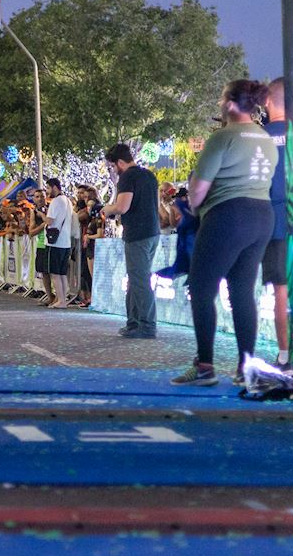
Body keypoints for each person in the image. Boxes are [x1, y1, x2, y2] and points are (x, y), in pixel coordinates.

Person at [171, 80, 277, 387]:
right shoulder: (265, 138)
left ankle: (205, 365)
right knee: (243, 292)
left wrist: (191, 203)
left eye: (221, 99)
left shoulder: (222, 137)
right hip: (261, 215)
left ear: (230, 104)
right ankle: (247, 368)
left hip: (227, 215)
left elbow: (197, 192)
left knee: (203, 289)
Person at [100, 143, 161, 338]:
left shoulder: (127, 177)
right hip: (152, 232)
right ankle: (133, 323)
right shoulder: (149, 176)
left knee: (140, 279)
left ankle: (147, 325)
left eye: (113, 166)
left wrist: (107, 209)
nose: (113, 171)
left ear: (120, 162)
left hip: (137, 234)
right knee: (136, 279)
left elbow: (122, 207)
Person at [261, 78, 291, 365]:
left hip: (273, 225)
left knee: (280, 290)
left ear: (268, 102)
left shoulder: (258, 138)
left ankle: (284, 355)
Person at [43, 178, 73, 308]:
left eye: (48, 188)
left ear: (54, 187)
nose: (47, 191)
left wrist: (41, 216)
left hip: (54, 242)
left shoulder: (56, 201)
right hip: (66, 241)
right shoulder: (68, 201)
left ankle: (60, 300)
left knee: (54, 273)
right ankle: (63, 299)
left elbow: (49, 221)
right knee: (62, 273)